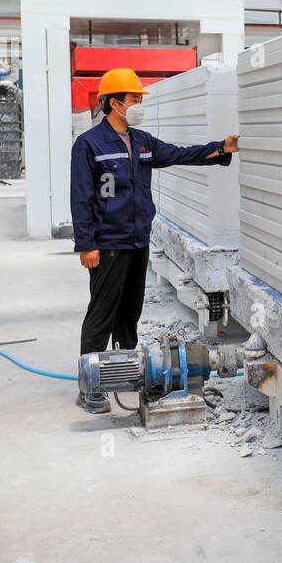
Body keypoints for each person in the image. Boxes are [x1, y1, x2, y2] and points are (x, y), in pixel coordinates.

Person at [70, 67, 239, 413]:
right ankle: (91, 387)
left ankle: (129, 372)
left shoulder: (142, 141)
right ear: (115, 103)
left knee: (129, 313)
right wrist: (86, 244)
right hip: (107, 243)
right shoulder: (89, 144)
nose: (138, 105)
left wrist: (221, 148)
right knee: (102, 314)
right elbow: (81, 198)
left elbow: (178, 154)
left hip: (137, 240)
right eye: (133, 99)